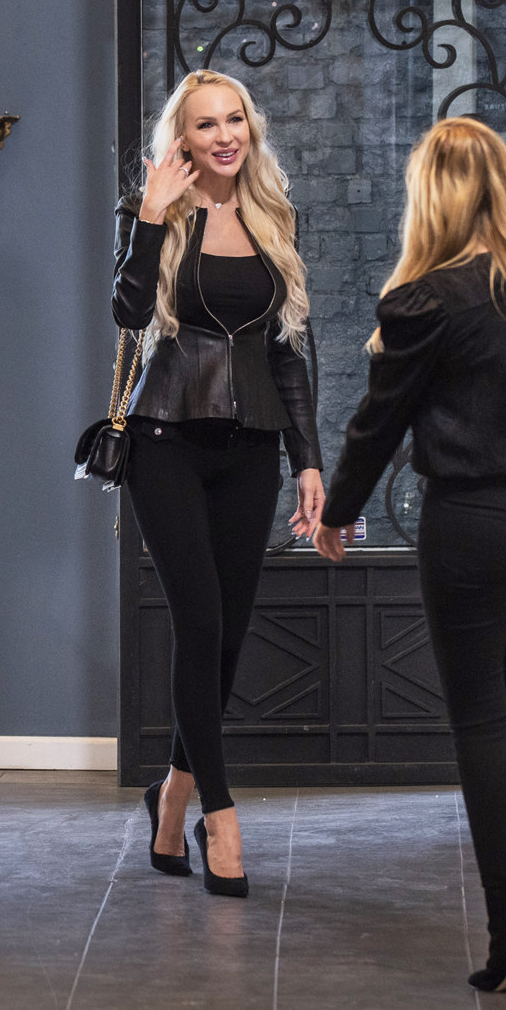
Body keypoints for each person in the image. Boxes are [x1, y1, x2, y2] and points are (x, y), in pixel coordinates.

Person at [316, 117, 506, 996]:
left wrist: (339, 514)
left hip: (473, 524)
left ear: (431, 195)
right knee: (496, 703)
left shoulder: (423, 301)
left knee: (477, 714)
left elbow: (377, 425)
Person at [114, 68, 324, 899]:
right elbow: (128, 316)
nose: (225, 135)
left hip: (253, 448)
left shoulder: (275, 216)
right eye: (206, 124)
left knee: (228, 631)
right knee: (198, 620)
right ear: (183, 138)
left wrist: (308, 457)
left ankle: (171, 796)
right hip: (166, 437)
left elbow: (286, 352)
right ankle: (221, 814)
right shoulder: (156, 215)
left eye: (234, 119)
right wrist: (149, 217)